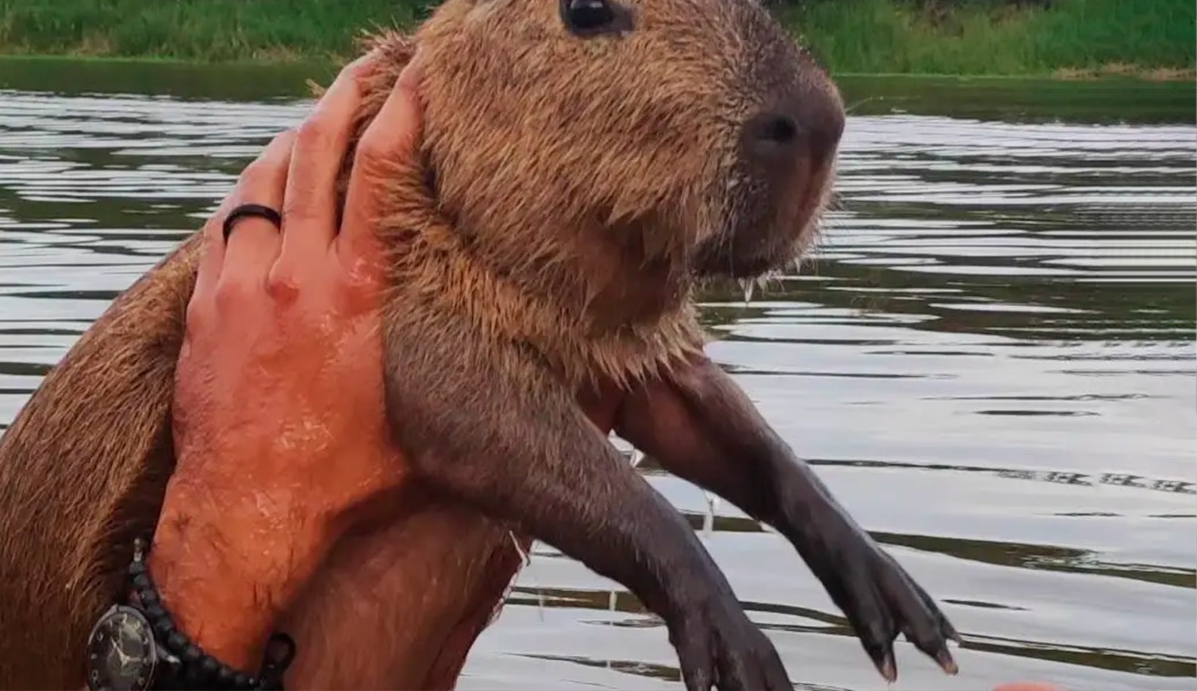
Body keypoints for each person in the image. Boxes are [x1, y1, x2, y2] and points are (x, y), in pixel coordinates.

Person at [129, 55, 1063, 691]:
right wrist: (691, 584)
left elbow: (667, 384)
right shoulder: (422, 188)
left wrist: (823, 529)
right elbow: (459, 392)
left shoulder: (574, 265)